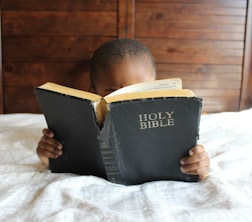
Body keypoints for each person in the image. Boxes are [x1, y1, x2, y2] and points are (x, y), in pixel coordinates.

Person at [36, 38, 210, 180]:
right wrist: (48, 154)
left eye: (139, 90)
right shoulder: (79, 126)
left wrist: (198, 166)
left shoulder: (172, 123)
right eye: (114, 92)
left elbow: (194, 165)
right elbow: (57, 160)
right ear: (93, 92)